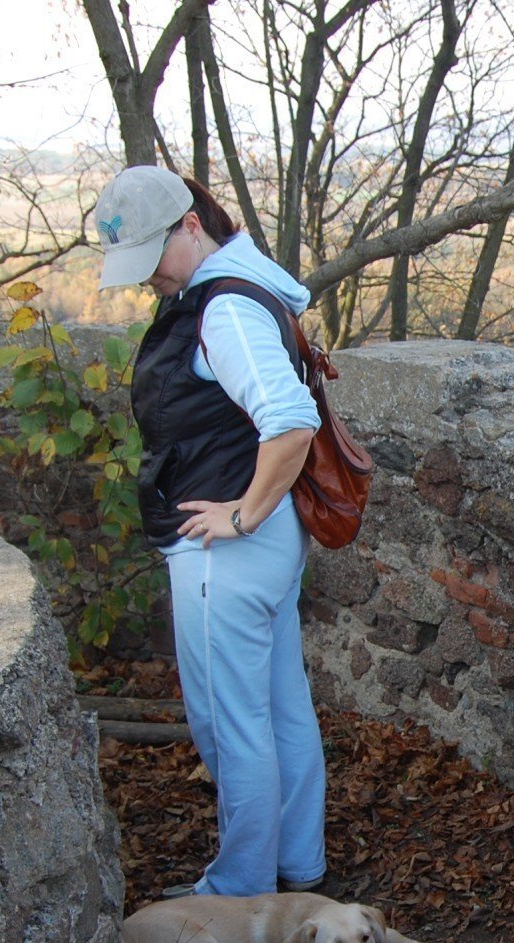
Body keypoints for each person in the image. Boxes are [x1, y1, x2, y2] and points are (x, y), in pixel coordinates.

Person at [94, 164, 326, 897]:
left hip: (226, 549)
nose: (145, 282)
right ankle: (299, 864)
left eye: (151, 259)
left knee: (233, 726)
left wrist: (242, 510)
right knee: (281, 704)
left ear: (192, 225)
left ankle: (240, 892)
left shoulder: (222, 310)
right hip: (262, 545)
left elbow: (290, 422)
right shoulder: (247, 285)